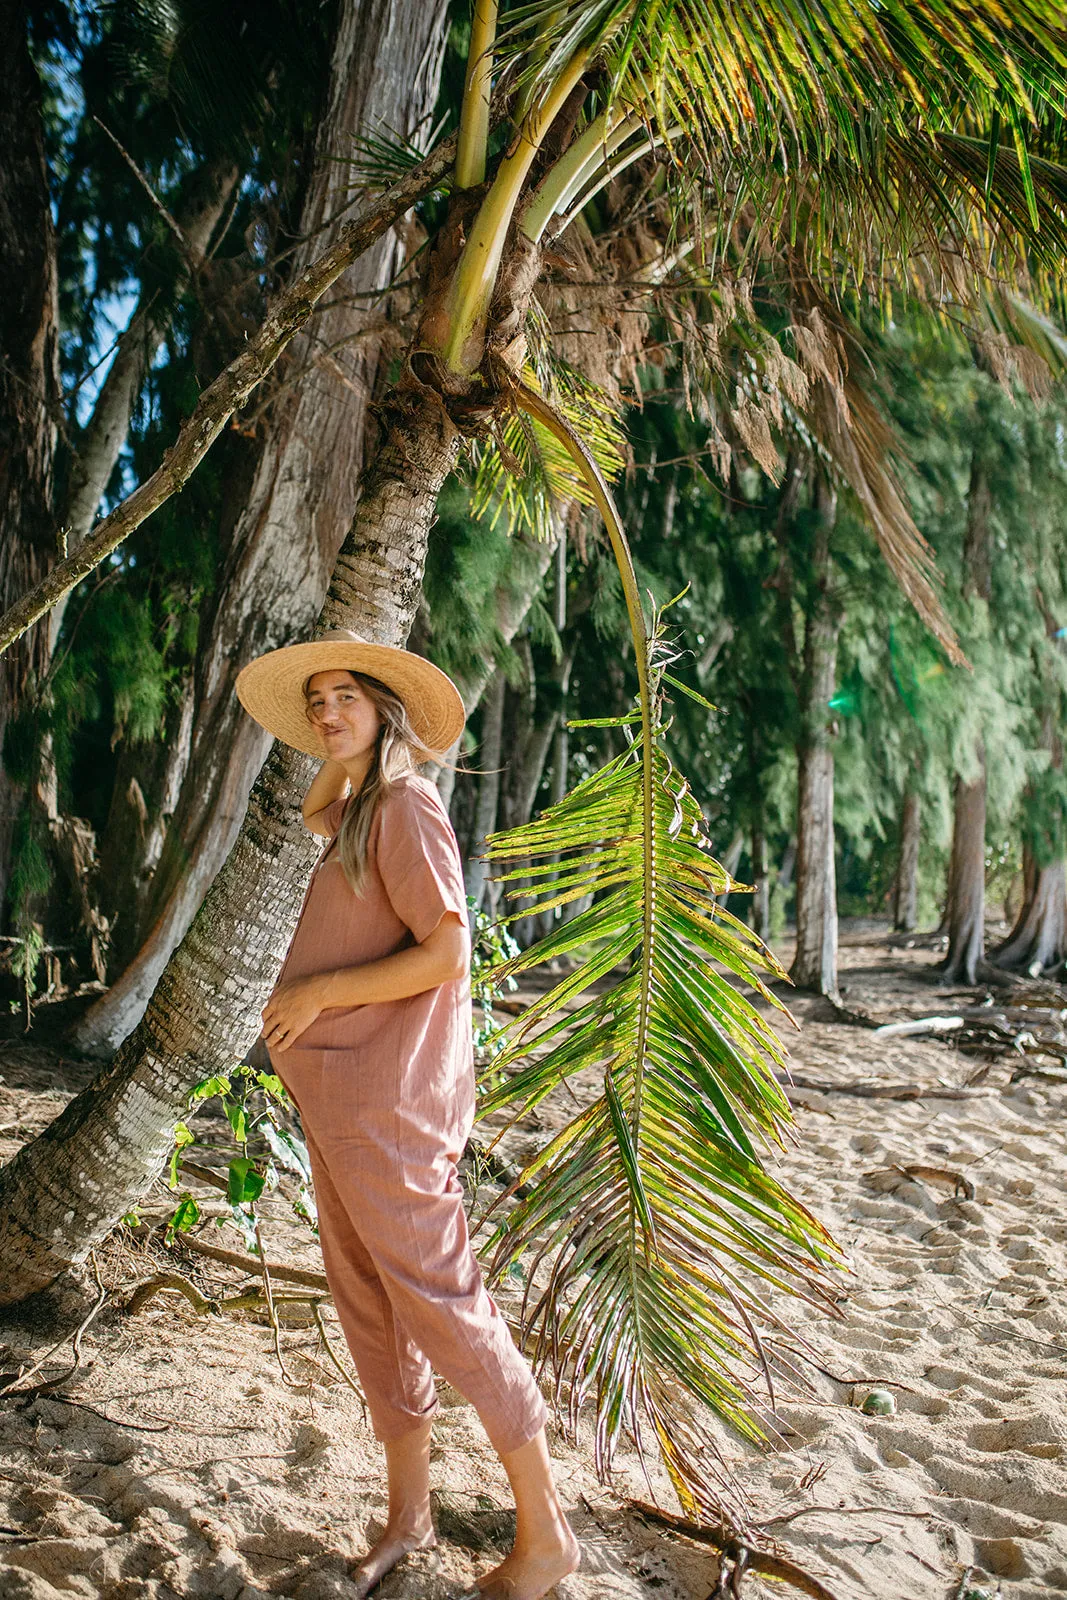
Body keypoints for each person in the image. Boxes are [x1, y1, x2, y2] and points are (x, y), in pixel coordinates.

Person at [235, 631, 580, 1600]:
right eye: (315, 700)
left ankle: (546, 1533)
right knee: (369, 1304)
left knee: (442, 1303)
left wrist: (320, 995)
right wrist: (346, 751)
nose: (323, 711)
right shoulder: (356, 807)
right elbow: (314, 809)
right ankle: (408, 1515)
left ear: (388, 709)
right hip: (341, 1105)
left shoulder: (403, 806)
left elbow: (447, 951)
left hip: (388, 1109)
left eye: (344, 695)